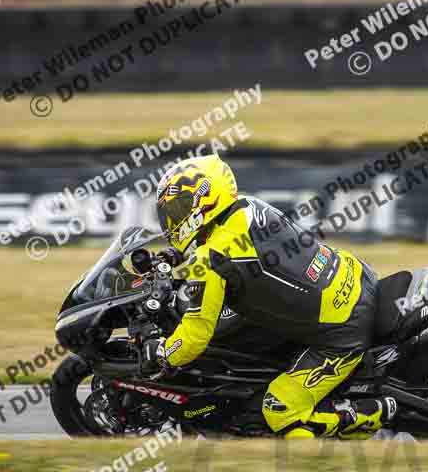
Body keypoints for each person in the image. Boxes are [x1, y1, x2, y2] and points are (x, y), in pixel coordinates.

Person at [141, 154, 397, 439]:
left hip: (342, 330)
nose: (174, 218)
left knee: (279, 410)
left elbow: (195, 336)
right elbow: (232, 252)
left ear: (205, 200)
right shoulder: (248, 207)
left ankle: (372, 414)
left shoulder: (211, 259)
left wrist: (164, 354)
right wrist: (177, 254)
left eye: (179, 208)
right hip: (355, 276)